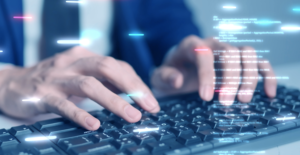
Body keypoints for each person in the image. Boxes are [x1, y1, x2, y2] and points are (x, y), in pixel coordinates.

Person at [0, 0, 277, 131]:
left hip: (116, 121)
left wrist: (185, 59)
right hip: (17, 117)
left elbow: (167, 18)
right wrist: (5, 79)